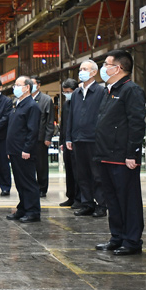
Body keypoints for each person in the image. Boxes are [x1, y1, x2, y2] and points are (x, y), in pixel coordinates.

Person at [93, 50, 146, 256]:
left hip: (123, 157)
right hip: (105, 155)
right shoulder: (109, 91)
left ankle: (131, 240)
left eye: (106, 64)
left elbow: (136, 124)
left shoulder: (131, 90)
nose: (103, 68)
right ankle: (117, 237)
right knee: (112, 200)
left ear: (118, 68)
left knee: (128, 200)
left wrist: (132, 153)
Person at [66, 60, 108, 218]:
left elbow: (104, 115)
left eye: (85, 69)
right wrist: (69, 137)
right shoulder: (76, 93)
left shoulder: (101, 91)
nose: (81, 71)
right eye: (80, 69)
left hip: (93, 139)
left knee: (97, 174)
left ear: (93, 72)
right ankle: (87, 203)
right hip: (78, 139)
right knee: (82, 174)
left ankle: (101, 205)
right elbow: (71, 116)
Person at [5, 76, 42, 223]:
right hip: (15, 150)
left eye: (18, 85)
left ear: (27, 87)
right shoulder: (18, 104)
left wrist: (27, 149)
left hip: (24, 151)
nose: (15, 87)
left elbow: (32, 131)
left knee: (28, 182)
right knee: (20, 182)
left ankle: (33, 211)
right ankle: (23, 208)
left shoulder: (31, 106)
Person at [30, 77, 54, 198]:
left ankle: (42, 188)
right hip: (28, 138)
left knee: (41, 165)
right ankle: (31, 187)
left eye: (33, 83)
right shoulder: (24, 99)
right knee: (29, 165)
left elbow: (50, 120)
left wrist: (48, 137)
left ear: (38, 85)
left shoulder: (46, 99)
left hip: (40, 138)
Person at [59, 79, 79, 208]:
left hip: (76, 142)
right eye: (65, 92)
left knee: (78, 172)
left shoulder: (80, 103)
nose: (67, 94)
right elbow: (63, 125)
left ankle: (79, 198)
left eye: (69, 92)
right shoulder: (66, 105)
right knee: (69, 171)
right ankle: (70, 196)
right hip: (66, 142)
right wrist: (62, 141)